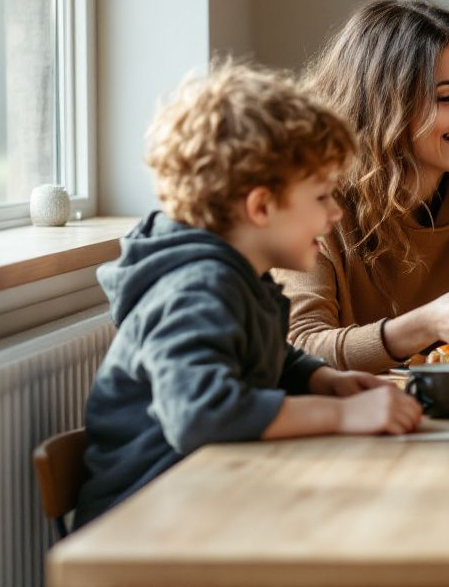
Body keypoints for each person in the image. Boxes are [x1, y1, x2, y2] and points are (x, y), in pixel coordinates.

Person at [75, 60, 422, 529]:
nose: (336, 213)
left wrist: (324, 380)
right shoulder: (197, 287)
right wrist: (339, 415)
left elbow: (261, 357)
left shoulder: (240, 278)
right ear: (261, 207)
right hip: (151, 520)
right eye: (321, 196)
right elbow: (201, 413)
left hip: (213, 494)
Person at [277, 0, 449, 373]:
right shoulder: (308, 200)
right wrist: (423, 326)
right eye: (447, 96)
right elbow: (299, 349)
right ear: (383, 107)